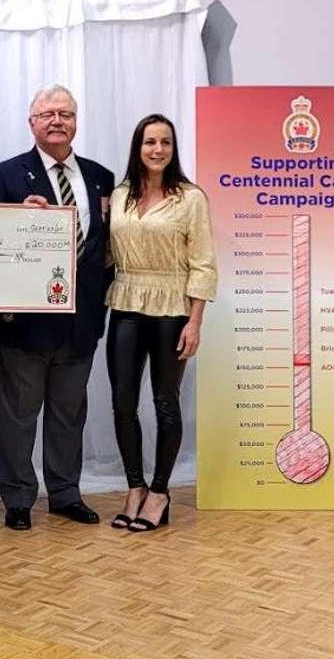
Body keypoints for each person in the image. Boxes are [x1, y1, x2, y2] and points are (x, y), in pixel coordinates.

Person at [0, 85, 115, 531]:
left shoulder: (101, 177)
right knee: (17, 416)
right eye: (48, 114)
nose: (57, 121)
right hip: (24, 321)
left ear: (76, 121)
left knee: (68, 414)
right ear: (31, 122)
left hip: (82, 320)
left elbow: (106, 247)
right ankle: (18, 498)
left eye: (66, 113)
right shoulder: (3, 175)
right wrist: (19, 218)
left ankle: (64, 493)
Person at [105, 114, 216, 531]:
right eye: (149, 142)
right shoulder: (120, 196)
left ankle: (159, 492)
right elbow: (107, 252)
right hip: (126, 301)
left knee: (165, 403)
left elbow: (203, 264)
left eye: (165, 142)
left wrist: (196, 321)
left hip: (172, 308)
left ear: (173, 149)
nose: (157, 149)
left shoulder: (191, 199)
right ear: (138, 147)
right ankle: (134, 487)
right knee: (122, 403)